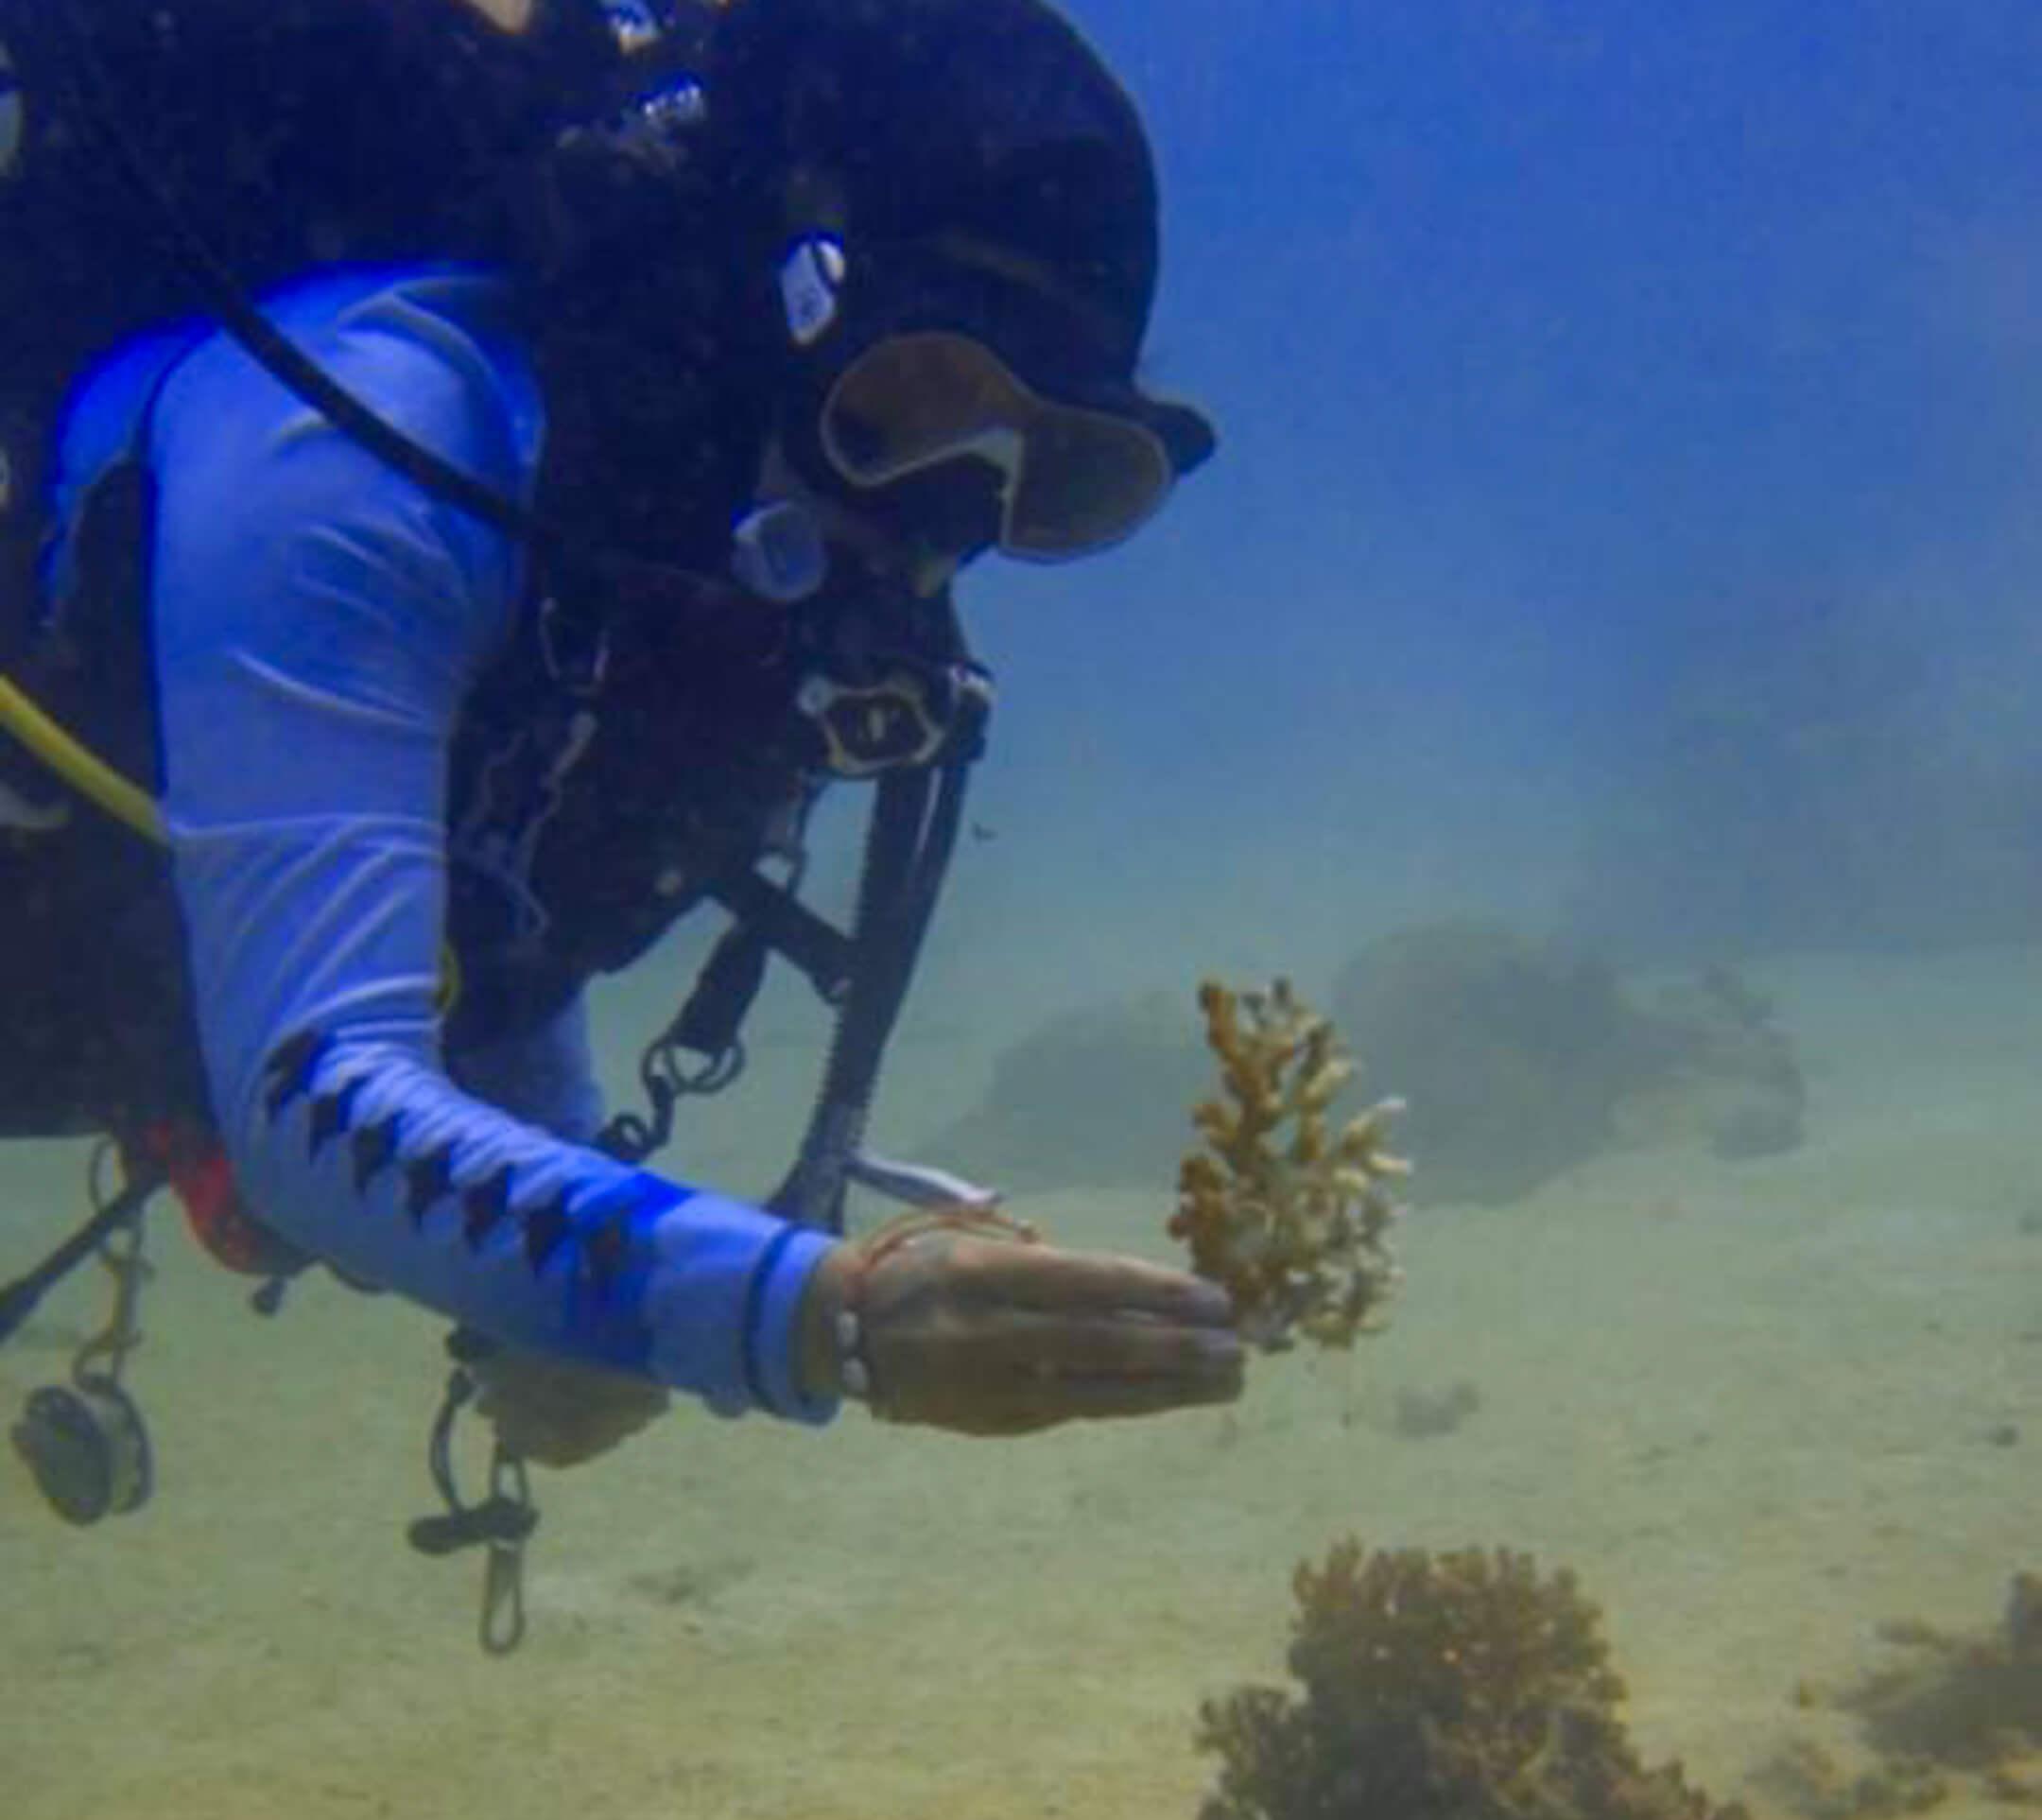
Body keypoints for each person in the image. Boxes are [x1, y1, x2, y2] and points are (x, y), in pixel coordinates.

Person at [0, 0, 1242, 1480]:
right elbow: (311, 1103)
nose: (944, 522)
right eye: (905, 406)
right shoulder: (359, 453)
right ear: (769, 315)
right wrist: (813, 1317)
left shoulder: (642, 572)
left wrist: (567, 1293)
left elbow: (509, 900)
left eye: (1060, 484)